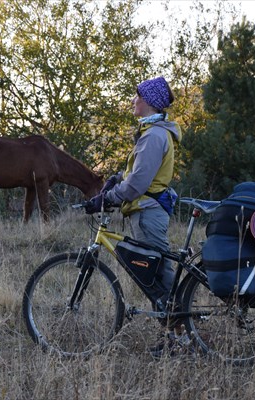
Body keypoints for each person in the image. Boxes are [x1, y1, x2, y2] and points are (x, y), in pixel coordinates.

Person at [85, 76, 182, 354]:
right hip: (145, 211)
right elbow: (136, 173)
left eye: (137, 96)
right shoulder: (151, 132)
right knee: (155, 275)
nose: (133, 100)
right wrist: (115, 179)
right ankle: (175, 337)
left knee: (157, 277)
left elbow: (139, 184)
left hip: (148, 213)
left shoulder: (154, 136)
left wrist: (108, 199)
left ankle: (180, 338)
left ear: (150, 102)